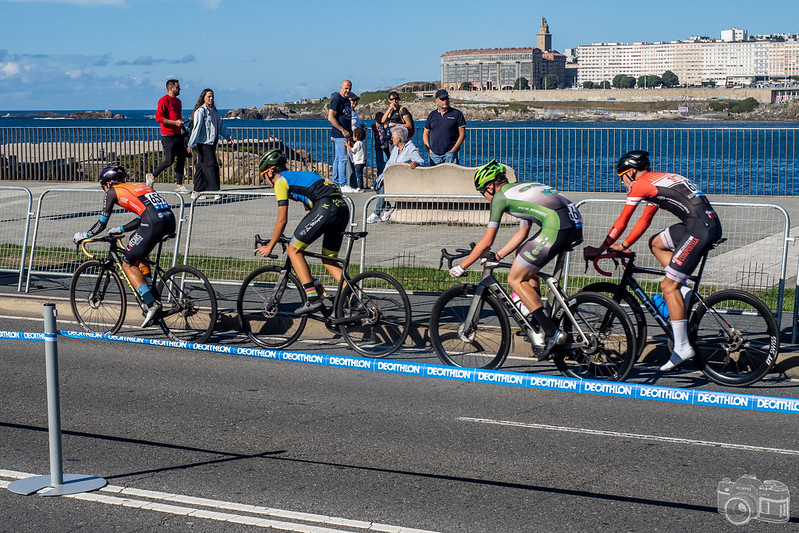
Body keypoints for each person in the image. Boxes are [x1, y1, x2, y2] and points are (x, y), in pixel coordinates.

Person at [583, 150, 722, 372]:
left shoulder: (640, 185)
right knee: (656, 243)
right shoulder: (658, 181)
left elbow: (623, 219)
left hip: (699, 229)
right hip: (701, 224)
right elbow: (644, 221)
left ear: (631, 172)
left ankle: (682, 347)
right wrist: (624, 245)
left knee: (668, 286)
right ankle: (682, 292)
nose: (622, 183)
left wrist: (601, 248)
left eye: (621, 177)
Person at [449, 160, 583, 359]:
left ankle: (552, 332)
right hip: (574, 223)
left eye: (482, 193)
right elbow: (522, 232)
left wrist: (461, 266)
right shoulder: (520, 189)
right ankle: (538, 322)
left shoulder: (499, 198)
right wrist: (498, 255)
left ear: (490, 187)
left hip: (557, 226)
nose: (484, 197)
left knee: (515, 278)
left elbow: (487, 241)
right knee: (522, 258)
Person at [72, 165, 176, 328]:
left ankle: (151, 304)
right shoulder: (138, 186)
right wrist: (120, 229)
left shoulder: (111, 192)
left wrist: (82, 236)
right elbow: (141, 217)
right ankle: (147, 284)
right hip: (169, 220)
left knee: (127, 263)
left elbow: (101, 225)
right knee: (138, 247)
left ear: (107, 183)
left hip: (153, 223)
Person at [255, 149, 350, 315]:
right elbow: (309, 218)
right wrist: (292, 239)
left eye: (264, 176)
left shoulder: (281, 182)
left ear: (270, 171)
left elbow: (282, 220)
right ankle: (355, 301)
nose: (266, 180)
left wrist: (270, 246)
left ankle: (312, 298)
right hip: (341, 208)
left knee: (293, 250)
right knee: (329, 260)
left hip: (325, 206)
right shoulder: (301, 177)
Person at [367, 125, 423, 224]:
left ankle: (377, 213)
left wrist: (416, 163)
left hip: (403, 180)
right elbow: (389, 163)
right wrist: (384, 174)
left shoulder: (411, 148)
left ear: (399, 138)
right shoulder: (395, 149)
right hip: (392, 178)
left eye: (392, 137)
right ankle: (388, 208)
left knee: (384, 188)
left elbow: (421, 161)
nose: (391, 139)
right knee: (377, 184)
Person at [187, 88, 233, 201]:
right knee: (212, 166)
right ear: (203, 97)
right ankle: (215, 191)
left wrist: (228, 137)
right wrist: (191, 144)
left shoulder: (214, 111)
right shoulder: (201, 111)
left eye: (212, 97)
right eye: (209, 97)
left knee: (201, 167)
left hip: (211, 142)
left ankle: (197, 191)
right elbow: (196, 128)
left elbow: (220, 125)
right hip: (203, 143)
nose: (211, 99)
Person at [146, 79, 189, 194]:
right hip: (168, 136)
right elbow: (158, 118)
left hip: (178, 134)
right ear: (171, 88)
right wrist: (175, 123)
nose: (180, 89)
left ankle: (179, 185)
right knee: (169, 160)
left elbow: (177, 118)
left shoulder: (178, 102)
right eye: (178, 87)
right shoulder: (163, 100)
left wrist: (183, 128)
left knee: (181, 159)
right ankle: (152, 176)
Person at [423, 89, 466, 167]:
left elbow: (462, 134)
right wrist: (429, 150)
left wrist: (453, 151)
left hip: (450, 154)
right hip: (434, 155)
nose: (445, 101)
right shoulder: (432, 115)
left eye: (446, 98)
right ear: (436, 101)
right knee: (435, 178)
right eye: (442, 99)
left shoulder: (457, 114)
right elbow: (426, 133)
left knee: (451, 177)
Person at [326, 80, 352, 190]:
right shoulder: (337, 99)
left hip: (344, 133)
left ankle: (336, 182)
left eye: (349, 88)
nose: (348, 90)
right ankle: (342, 183)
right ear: (341, 87)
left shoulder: (346, 100)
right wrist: (342, 130)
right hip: (340, 134)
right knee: (343, 158)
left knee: (338, 158)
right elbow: (330, 117)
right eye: (346, 88)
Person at [342, 92, 364, 193]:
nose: (355, 103)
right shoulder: (347, 113)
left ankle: (355, 185)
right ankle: (349, 184)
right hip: (350, 140)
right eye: (352, 101)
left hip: (355, 141)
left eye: (356, 101)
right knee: (348, 162)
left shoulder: (354, 113)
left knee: (353, 163)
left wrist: (361, 127)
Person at [371, 112, 392, 177]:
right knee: (385, 163)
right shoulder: (384, 126)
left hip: (378, 147)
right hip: (385, 147)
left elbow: (373, 125)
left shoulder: (373, 127)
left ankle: (380, 179)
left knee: (379, 164)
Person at [345, 127, 366, 192]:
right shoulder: (361, 143)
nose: (353, 137)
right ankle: (361, 187)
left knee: (358, 175)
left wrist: (347, 145)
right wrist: (350, 143)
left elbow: (352, 150)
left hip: (358, 162)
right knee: (360, 174)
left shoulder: (357, 144)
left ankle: (359, 187)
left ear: (356, 137)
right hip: (362, 162)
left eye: (353, 136)